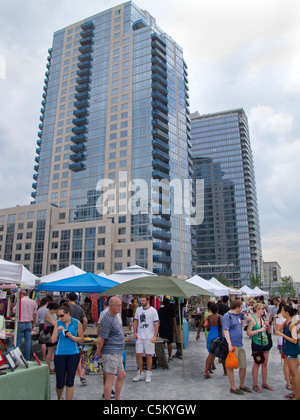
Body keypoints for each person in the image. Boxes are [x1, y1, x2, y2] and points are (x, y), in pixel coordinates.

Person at [51, 304, 84, 400]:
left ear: (68, 314)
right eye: (58, 316)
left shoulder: (76, 323)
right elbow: (52, 340)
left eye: (62, 315)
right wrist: (57, 331)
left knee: (70, 381)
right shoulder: (58, 323)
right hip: (60, 354)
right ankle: (59, 397)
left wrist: (72, 337)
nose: (60, 318)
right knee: (60, 382)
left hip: (73, 354)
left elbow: (81, 339)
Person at [97, 297, 126, 400]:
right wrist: (98, 351)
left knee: (122, 375)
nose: (120, 307)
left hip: (117, 352)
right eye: (118, 305)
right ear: (111, 306)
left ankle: (117, 398)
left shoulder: (116, 316)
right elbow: (101, 338)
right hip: (111, 352)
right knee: (110, 377)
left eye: (120, 305)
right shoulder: (107, 318)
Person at [222, 299, 252, 395]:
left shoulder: (239, 315)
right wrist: (229, 344)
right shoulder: (227, 316)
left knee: (243, 365)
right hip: (233, 345)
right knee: (231, 365)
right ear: (237, 307)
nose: (242, 309)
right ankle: (233, 386)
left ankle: (242, 385)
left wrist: (249, 315)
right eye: (241, 307)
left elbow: (248, 318)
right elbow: (225, 330)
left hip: (240, 344)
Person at [274, 305, 300, 400]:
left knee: (294, 373)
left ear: (287, 313)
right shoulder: (286, 322)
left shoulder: (292, 324)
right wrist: (274, 320)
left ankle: (297, 395)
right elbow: (276, 328)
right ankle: (294, 392)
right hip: (288, 350)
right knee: (292, 373)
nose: (281, 312)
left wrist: (282, 335)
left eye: (283, 311)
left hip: (292, 351)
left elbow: (294, 340)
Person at [247, 303, 273, 392]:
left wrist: (268, 327)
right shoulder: (253, 320)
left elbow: (268, 332)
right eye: (262, 308)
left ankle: (264, 383)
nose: (263, 310)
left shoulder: (263, 318)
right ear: (257, 309)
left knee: (265, 364)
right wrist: (260, 330)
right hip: (257, 344)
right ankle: (255, 384)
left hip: (265, 343)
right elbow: (248, 333)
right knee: (257, 363)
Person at [133, 295, 159, 383]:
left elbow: (156, 324)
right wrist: (135, 332)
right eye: (141, 300)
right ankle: (140, 372)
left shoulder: (153, 311)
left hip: (149, 336)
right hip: (140, 336)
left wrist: (155, 336)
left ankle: (148, 372)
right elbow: (136, 321)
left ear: (148, 301)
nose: (141, 302)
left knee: (149, 355)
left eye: (143, 300)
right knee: (138, 354)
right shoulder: (138, 310)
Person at [67, 292, 88, 385]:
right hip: (76, 334)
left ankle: (66, 376)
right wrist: (82, 331)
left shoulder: (66, 308)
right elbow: (85, 320)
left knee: (66, 355)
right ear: (76, 299)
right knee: (77, 355)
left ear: (68, 299)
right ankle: (81, 375)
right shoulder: (80, 308)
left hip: (66, 334)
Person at [203, 303, 227, 378]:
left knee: (210, 354)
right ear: (217, 309)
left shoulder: (209, 317)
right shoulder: (220, 317)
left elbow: (206, 326)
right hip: (218, 335)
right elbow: (223, 327)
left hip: (210, 335)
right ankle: (225, 371)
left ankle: (206, 371)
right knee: (223, 354)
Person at [274, 300, 292, 391]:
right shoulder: (279, 317)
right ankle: (288, 381)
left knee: (292, 362)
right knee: (287, 363)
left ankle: (289, 378)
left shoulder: (290, 319)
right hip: (283, 342)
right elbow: (277, 330)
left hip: (288, 342)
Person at [14, 289, 37, 360]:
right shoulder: (33, 302)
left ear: (21, 295)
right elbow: (35, 314)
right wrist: (33, 323)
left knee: (18, 341)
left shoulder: (20, 301)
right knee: (28, 342)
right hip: (29, 322)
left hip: (20, 322)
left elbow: (14, 310)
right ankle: (27, 357)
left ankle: (17, 358)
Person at [44, 301, 59, 373]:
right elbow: (54, 324)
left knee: (52, 350)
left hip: (53, 332)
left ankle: (49, 367)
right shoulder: (48, 315)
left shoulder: (53, 314)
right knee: (50, 351)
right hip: (50, 333)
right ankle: (47, 367)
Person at [37, 296, 52, 361]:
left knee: (43, 341)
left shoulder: (40, 309)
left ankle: (43, 357)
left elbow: (37, 319)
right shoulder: (50, 309)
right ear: (48, 302)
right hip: (49, 325)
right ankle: (50, 356)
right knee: (50, 341)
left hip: (42, 324)